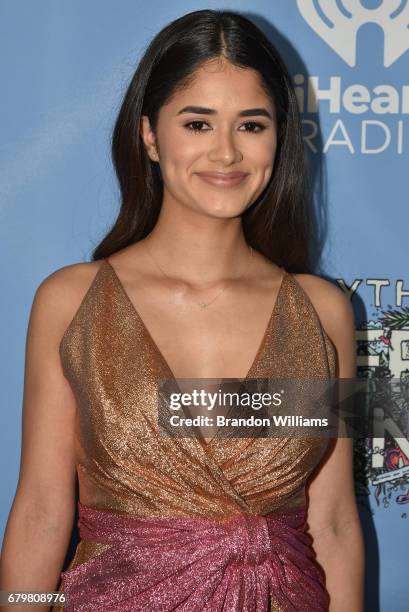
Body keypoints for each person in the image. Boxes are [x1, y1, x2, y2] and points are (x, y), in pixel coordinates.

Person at [0, 9, 364, 611]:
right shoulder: (71, 300)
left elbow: (332, 524)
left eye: (251, 125)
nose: (226, 153)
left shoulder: (323, 313)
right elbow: (41, 512)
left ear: (279, 137)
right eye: (198, 123)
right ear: (149, 135)